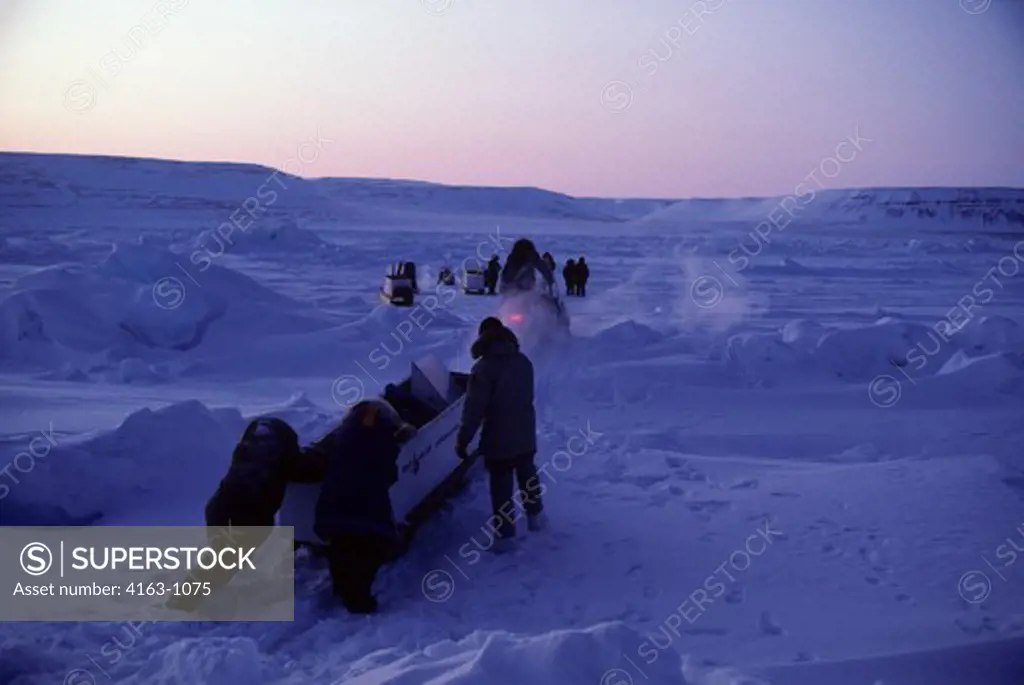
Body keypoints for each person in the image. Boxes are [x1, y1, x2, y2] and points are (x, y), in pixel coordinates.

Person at [309, 399, 417, 614]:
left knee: (340, 545)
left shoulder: (342, 439)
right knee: (370, 547)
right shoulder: (384, 439)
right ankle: (359, 597)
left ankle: (342, 586)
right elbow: (389, 474)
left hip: (333, 509)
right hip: (366, 512)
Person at [455, 317, 546, 553]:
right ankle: (536, 517)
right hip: (525, 431)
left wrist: (463, 439)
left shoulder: (483, 369)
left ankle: (505, 537)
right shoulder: (524, 362)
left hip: (499, 436)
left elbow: (474, 409)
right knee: (527, 473)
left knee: (502, 485)